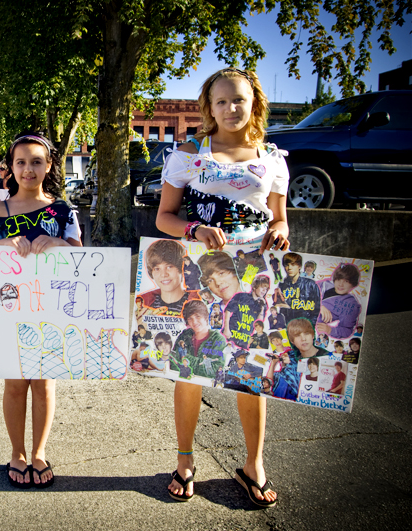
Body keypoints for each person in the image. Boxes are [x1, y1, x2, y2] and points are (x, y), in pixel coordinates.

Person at [156, 67, 290, 507]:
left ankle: (254, 465)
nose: (231, 108)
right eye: (221, 101)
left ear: (254, 103)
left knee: (250, 375)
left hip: (249, 276)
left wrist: (281, 231)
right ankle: (184, 461)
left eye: (239, 100)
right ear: (208, 107)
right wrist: (194, 229)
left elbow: (279, 217)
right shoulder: (189, 154)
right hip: (199, 271)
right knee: (191, 370)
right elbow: (164, 218)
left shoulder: (271, 158)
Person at [0, 131, 82, 489]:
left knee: (43, 383)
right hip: (9, 311)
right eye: (21, 162)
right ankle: (17, 453)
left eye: (36, 161)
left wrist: (59, 243)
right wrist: (2, 244)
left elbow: (81, 255)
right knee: (14, 384)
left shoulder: (64, 211)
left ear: (50, 164)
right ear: (11, 167)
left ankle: (39, 452)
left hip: (51, 309)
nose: (28, 169)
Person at [139, 239, 200, 316]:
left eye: (169, 267)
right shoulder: (144, 305)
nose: (163, 274)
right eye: (157, 269)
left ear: (181, 268)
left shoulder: (198, 302)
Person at [168, 300, 226, 379]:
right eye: (190, 318)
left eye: (198, 316)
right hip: (182, 381)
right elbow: (173, 362)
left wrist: (186, 358)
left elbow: (214, 371)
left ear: (205, 317)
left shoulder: (218, 339)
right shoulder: (184, 336)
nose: (194, 322)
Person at [316, 263, 362, 339]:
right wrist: (319, 306)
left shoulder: (351, 304)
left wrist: (330, 330)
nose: (341, 284)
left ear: (353, 284)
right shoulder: (324, 285)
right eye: (338, 279)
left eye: (346, 281)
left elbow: (346, 330)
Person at [223, 274, 269, 348]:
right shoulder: (241, 296)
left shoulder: (262, 304)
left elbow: (258, 323)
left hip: (244, 341)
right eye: (262, 287)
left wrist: (262, 309)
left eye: (266, 289)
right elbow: (228, 311)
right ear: (254, 287)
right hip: (230, 335)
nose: (264, 290)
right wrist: (226, 329)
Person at [275, 252, 320, 323]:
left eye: (293, 265)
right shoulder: (282, 285)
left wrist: (310, 326)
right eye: (287, 265)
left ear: (299, 266)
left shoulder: (311, 284)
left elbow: (317, 310)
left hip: (305, 328)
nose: (289, 268)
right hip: (288, 327)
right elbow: (281, 310)